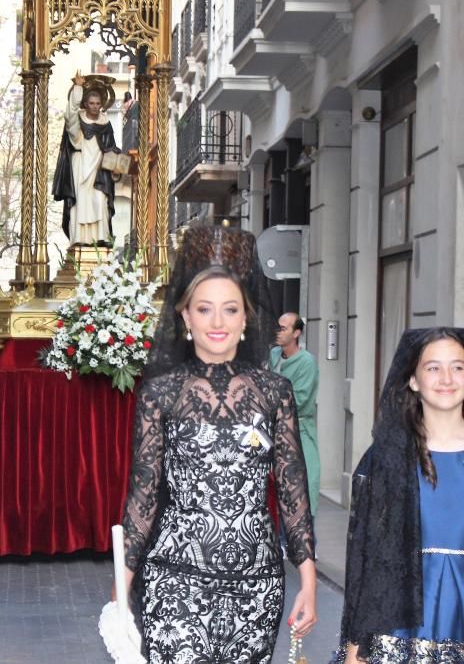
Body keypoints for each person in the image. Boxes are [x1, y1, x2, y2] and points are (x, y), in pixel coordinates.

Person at [119, 226, 317, 663]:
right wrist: (123, 583)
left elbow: (292, 487)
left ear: (246, 318)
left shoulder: (275, 391)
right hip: (175, 578)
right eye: (204, 309)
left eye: (230, 309)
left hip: (258, 583)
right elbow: (144, 494)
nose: (217, 322)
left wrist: (308, 579)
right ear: (185, 316)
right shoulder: (160, 394)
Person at [337, 327, 464, 663]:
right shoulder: (386, 458)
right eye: (433, 367)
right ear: (414, 380)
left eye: (457, 367)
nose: (446, 378)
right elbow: (367, 555)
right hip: (402, 617)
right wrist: (355, 647)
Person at [52, 71, 119, 246]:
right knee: (80, 203)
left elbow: (111, 147)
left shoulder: (105, 123)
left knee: (100, 200)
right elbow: (70, 115)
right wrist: (78, 88)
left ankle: (101, 238)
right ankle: (79, 239)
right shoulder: (77, 121)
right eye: (91, 103)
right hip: (80, 167)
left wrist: (119, 163)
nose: (95, 106)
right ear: (85, 104)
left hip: (100, 170)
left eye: (98, 103)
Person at [270, 313, 320, 517]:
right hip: (272, 430)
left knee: (303, 485)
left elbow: (299, 400)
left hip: (298, 430)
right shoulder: (274, 354)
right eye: (278, 327)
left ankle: (306, 542)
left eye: (284, 328)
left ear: (296, 333)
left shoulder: (306, 362)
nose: (278, 332)